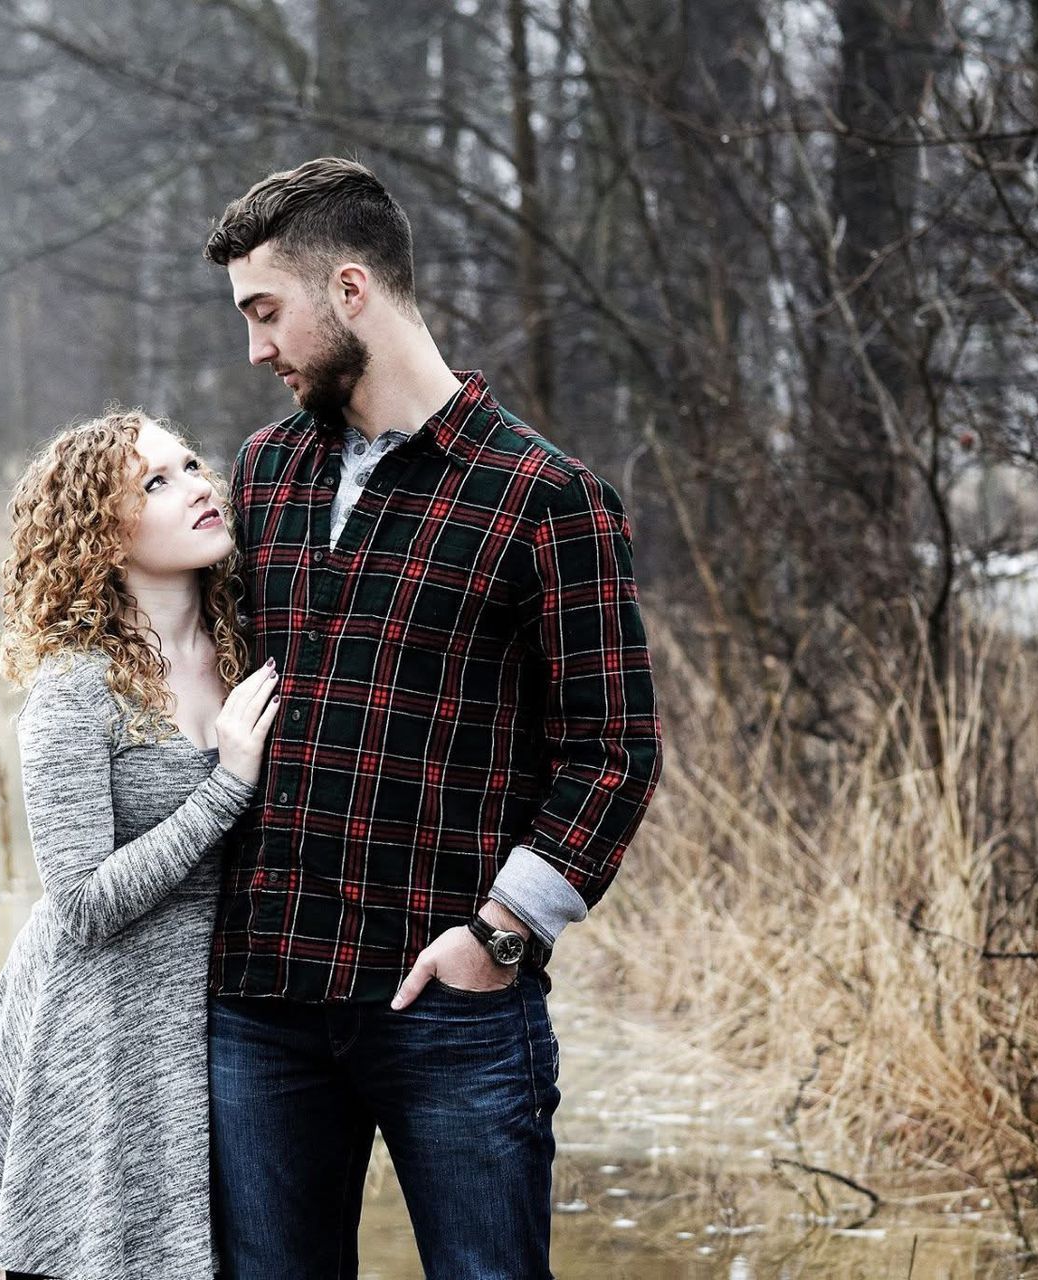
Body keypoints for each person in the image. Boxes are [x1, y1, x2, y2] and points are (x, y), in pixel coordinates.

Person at [200, 157, 664, 1279]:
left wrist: (502, 934)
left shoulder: (545, 497)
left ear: (350, 290)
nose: (255, 348)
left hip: (446, 1005)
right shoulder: (264, 474)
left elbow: (614, 750)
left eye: (268, 313)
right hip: (263, 996)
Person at [0, 409, 281, 1280]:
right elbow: (82, 902)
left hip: (221, 1020)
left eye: (192, 466)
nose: (198, 487)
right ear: (103, 531)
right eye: (155, 483)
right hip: (95, 1025)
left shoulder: (253, 652)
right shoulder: (75, 685)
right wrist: (228, 786)